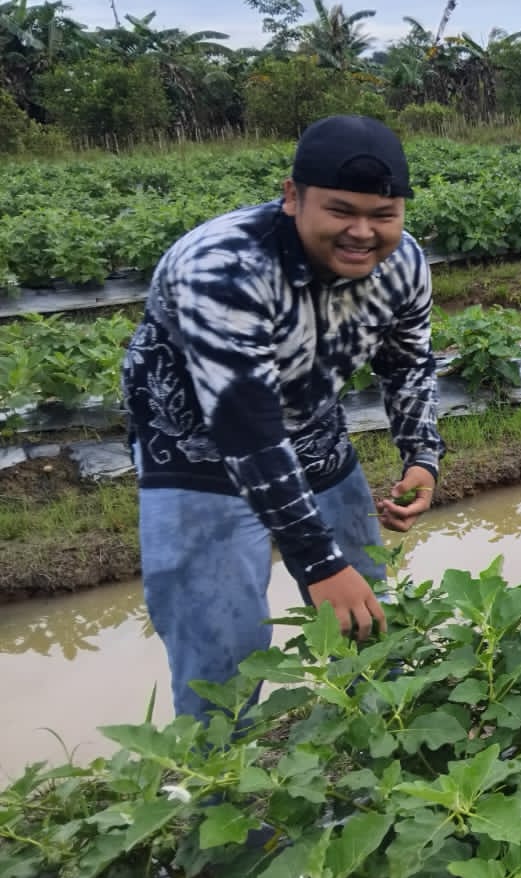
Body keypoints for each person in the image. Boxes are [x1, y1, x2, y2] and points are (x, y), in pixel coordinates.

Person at [120, 115, 443, 719]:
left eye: (383, 215)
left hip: (313, 431)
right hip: (198, 455)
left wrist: (421, 453)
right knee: (224, 656)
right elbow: (246, 428)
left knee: (370, 620)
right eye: (341, 211)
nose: (362, 232)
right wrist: (320, 563)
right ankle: (217, 793)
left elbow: (407, 363)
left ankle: (390, 765)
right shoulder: (223, 267)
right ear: (293, 197)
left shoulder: (404, 264)